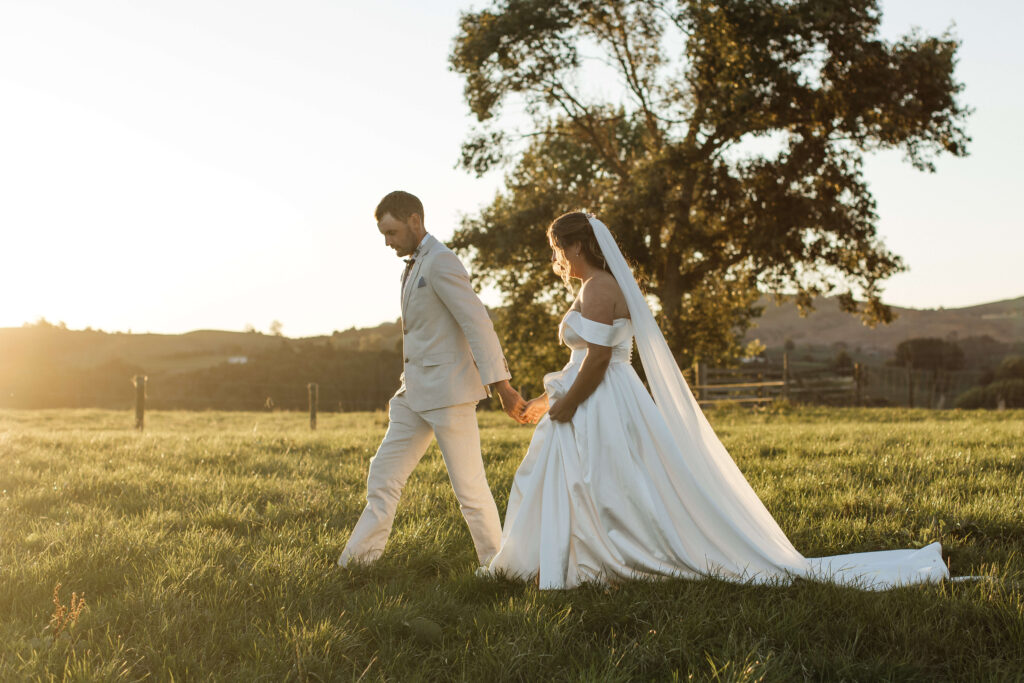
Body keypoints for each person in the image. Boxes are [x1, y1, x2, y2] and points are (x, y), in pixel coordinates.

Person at [487, 211, 948, 590]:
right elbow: (582, 361)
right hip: (600, 392)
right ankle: (574, 556)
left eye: (557, 248)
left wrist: (565, 407)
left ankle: (600, 558)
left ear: (577, 247)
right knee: (595, 481)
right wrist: (546, 403)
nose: (556, 258)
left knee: (601, 482)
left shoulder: (598, 288)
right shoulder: (600, 286)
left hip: (603, 396)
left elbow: (600, 358)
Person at [338, 191, 526, 569]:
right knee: (383, 476)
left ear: (414, 220)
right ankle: (358, 563)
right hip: (413, 393)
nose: (387, 242)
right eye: (383, 235)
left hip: (449, 393)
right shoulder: (411, 265)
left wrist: (502, 386)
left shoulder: (441, 261)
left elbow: (477, 323)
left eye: (391, 232)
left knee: (469, 488)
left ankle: (498, 568)